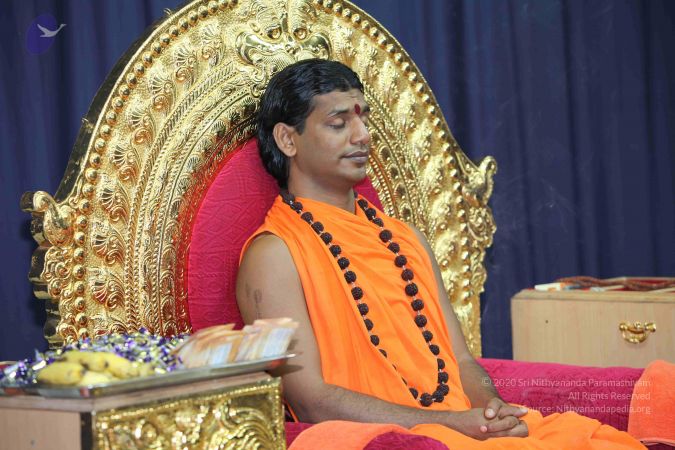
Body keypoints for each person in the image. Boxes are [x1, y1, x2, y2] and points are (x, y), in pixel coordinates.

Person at [236, 58, 645, 449]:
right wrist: (453, 425)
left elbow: (461, 361)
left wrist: (492, 409)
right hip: (382, 440)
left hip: (460, 428)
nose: (362, 136)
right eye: (339, 123)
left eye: (364, 119)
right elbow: (312, 401)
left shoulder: (405, 239)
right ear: (288, 139)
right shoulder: (274, 255)